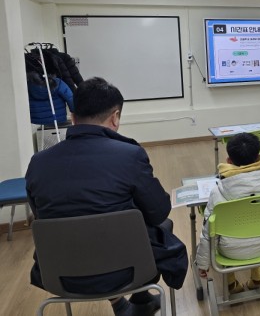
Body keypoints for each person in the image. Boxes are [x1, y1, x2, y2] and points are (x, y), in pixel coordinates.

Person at [26, 77, 188, 316]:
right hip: (128, 269)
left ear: (72, 117)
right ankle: (138, 299)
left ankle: (130, 304)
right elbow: (158, 211)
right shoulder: (129, 155)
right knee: (157, 225)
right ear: (115, 117)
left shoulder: (37, 163)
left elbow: (42, 216)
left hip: (60, 272)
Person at [195, 133, 260, 293]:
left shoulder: (217, 192)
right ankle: (256, 278)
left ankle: (231, 284)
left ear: (229, 161)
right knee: (259, 223)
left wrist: (203, 264)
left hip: (230, 251)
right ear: (259, 158)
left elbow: (207, 234)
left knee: (220, 232)